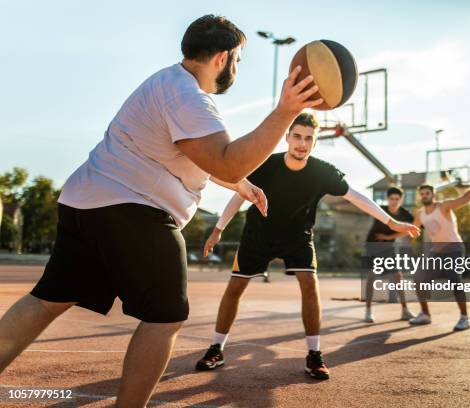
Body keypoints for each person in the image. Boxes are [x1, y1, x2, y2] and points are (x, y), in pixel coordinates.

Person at [0, 15, 322, 407]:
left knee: (47, 300)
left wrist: (240, 184)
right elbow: (226, 160)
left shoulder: (167, 83)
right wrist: (285, 112)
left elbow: (196, 158)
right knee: (165, 317)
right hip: (132, 210)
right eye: (238, 60)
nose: (236, 68)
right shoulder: (189, 98)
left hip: (85, 203)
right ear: (223, 57)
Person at [195, 113, 420, 380]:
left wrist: (390, 220)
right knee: (235, 287)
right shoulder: (266, 163)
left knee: (310, 284)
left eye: (308, 138)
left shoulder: (321, 171)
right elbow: (240, 194)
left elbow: (355, 196)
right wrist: (219, 228)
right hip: (258, 234)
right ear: (288, 137)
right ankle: (216, 348)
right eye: (298, 137)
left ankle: (314, 354)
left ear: (315, 143)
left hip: (298, 237)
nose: (302, 143)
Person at [409, 167, 470, 331]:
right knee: (418, 278)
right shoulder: (420, 214)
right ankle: (425, 314)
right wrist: (390, 232)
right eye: (423, 194)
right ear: (421, 196)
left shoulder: (444, 207)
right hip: (436, 251)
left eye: (428, 193)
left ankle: (464, 318)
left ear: (433, 195)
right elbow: (411, 229)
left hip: (454, 248)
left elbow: (465, 198)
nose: (425, 196)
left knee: (454, 279)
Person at [363, 187, 415, 323]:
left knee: (397, 275)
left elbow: (409, 229)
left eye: (397, 199)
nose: (394, 201)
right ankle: (368, 311)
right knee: (372, 275)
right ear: (388, 199)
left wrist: (389, 236)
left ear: (401, 199)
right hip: (373, 244)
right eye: (391, 199)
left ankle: (405, 310)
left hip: (388, 245)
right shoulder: (381, 210)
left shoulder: (405, 213)